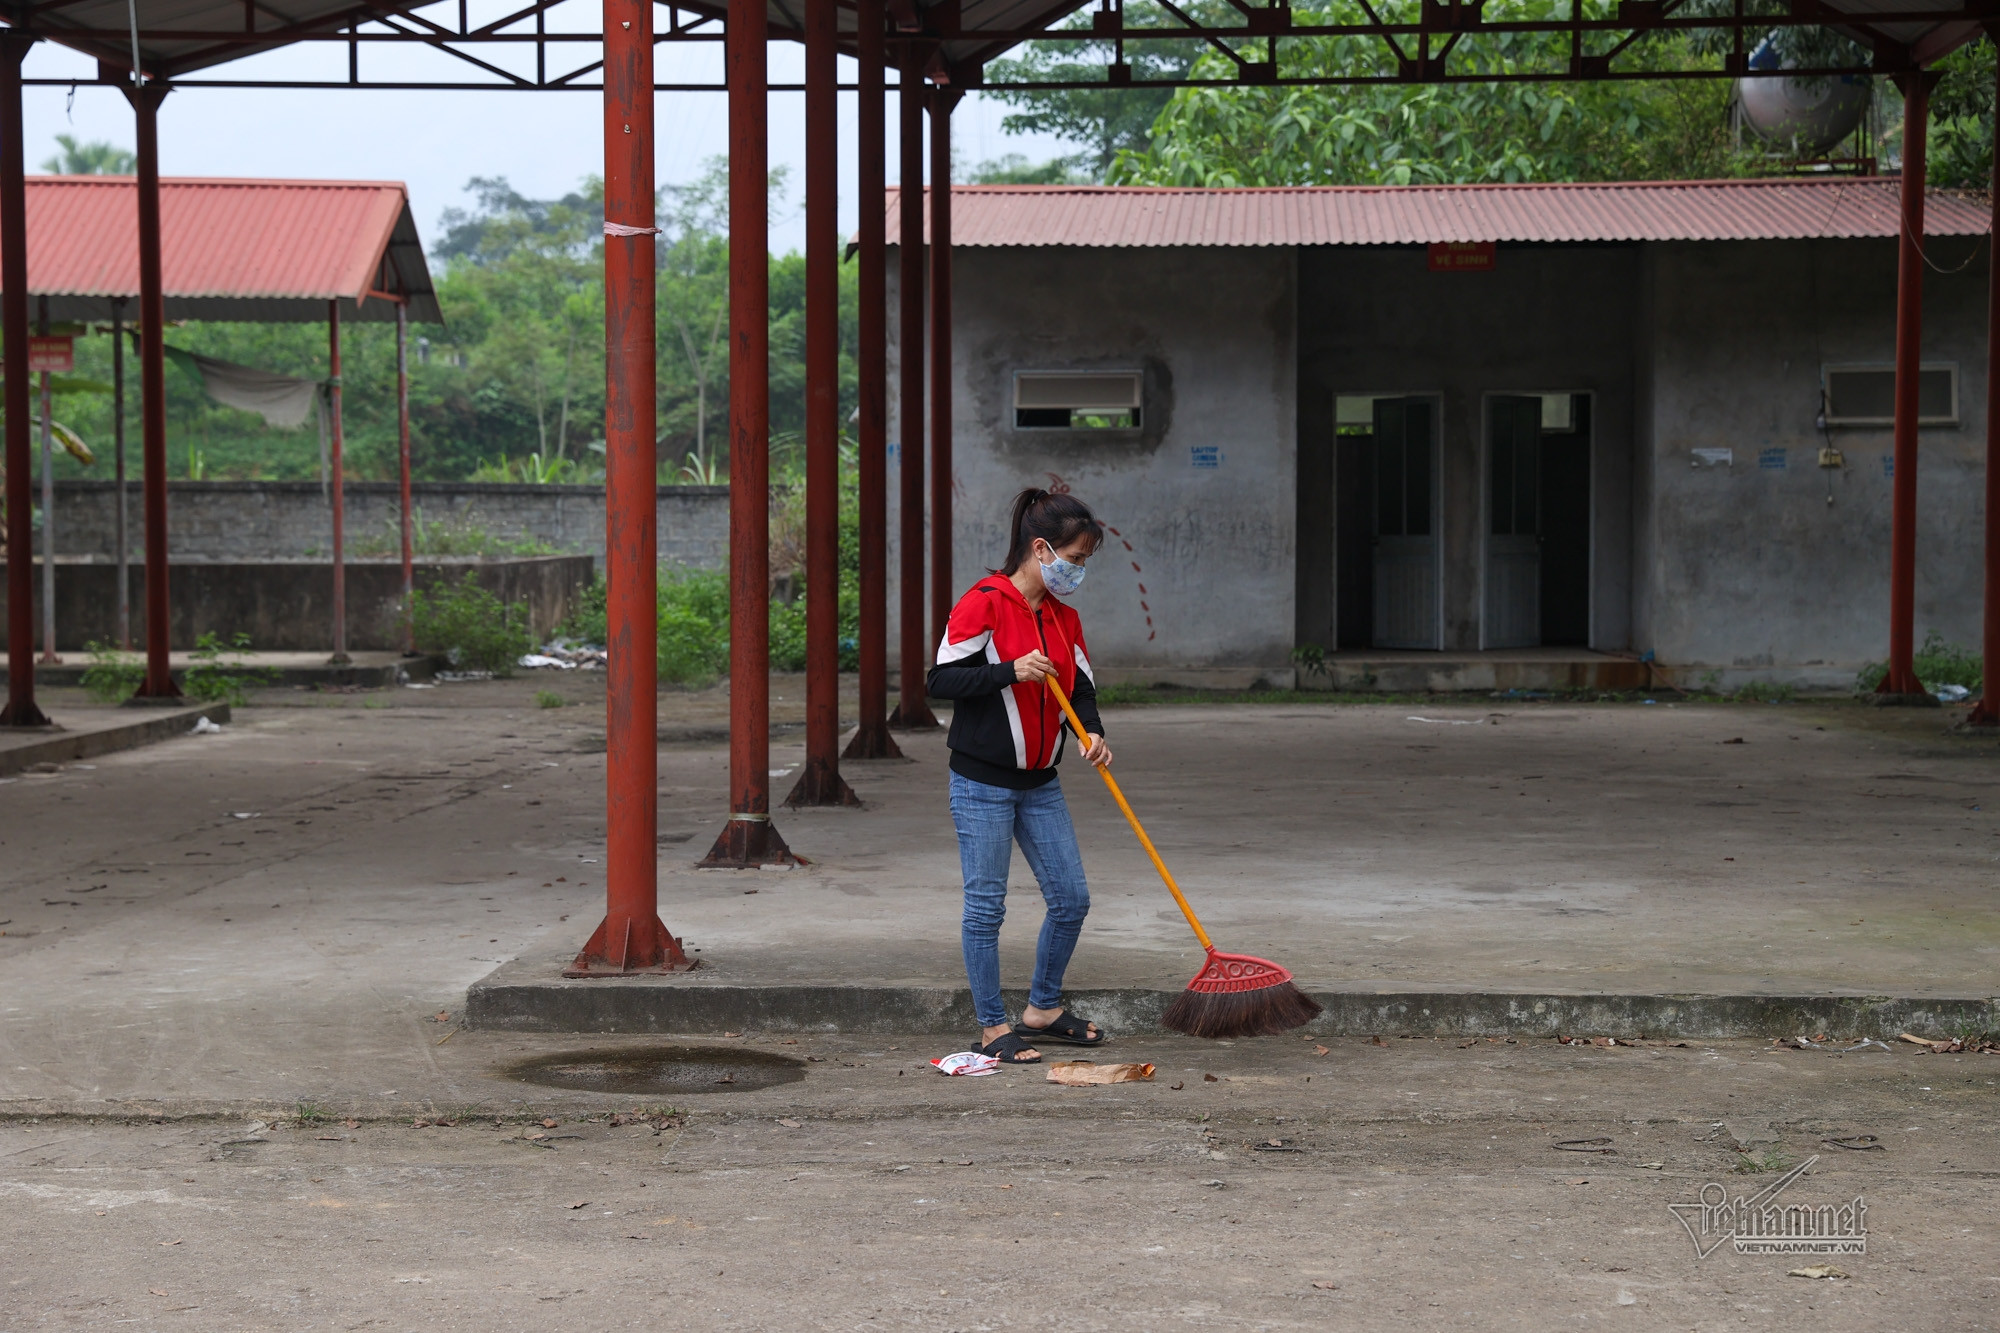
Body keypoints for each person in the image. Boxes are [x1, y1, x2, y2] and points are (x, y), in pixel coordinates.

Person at [927, 487, 1114, 1065]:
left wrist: (1092, 732)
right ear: (1041, 549)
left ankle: (1043, 1010)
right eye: (1074, 558)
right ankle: (992, 1027)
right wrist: (1009, 671)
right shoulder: (983, 602)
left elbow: (1081, 688)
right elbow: (939, 681)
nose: (1078, 570)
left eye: (1083, 561)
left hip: (1041, 782)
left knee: (1072, 899)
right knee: (986, 908)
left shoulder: (1064, 617)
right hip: (981, 782)